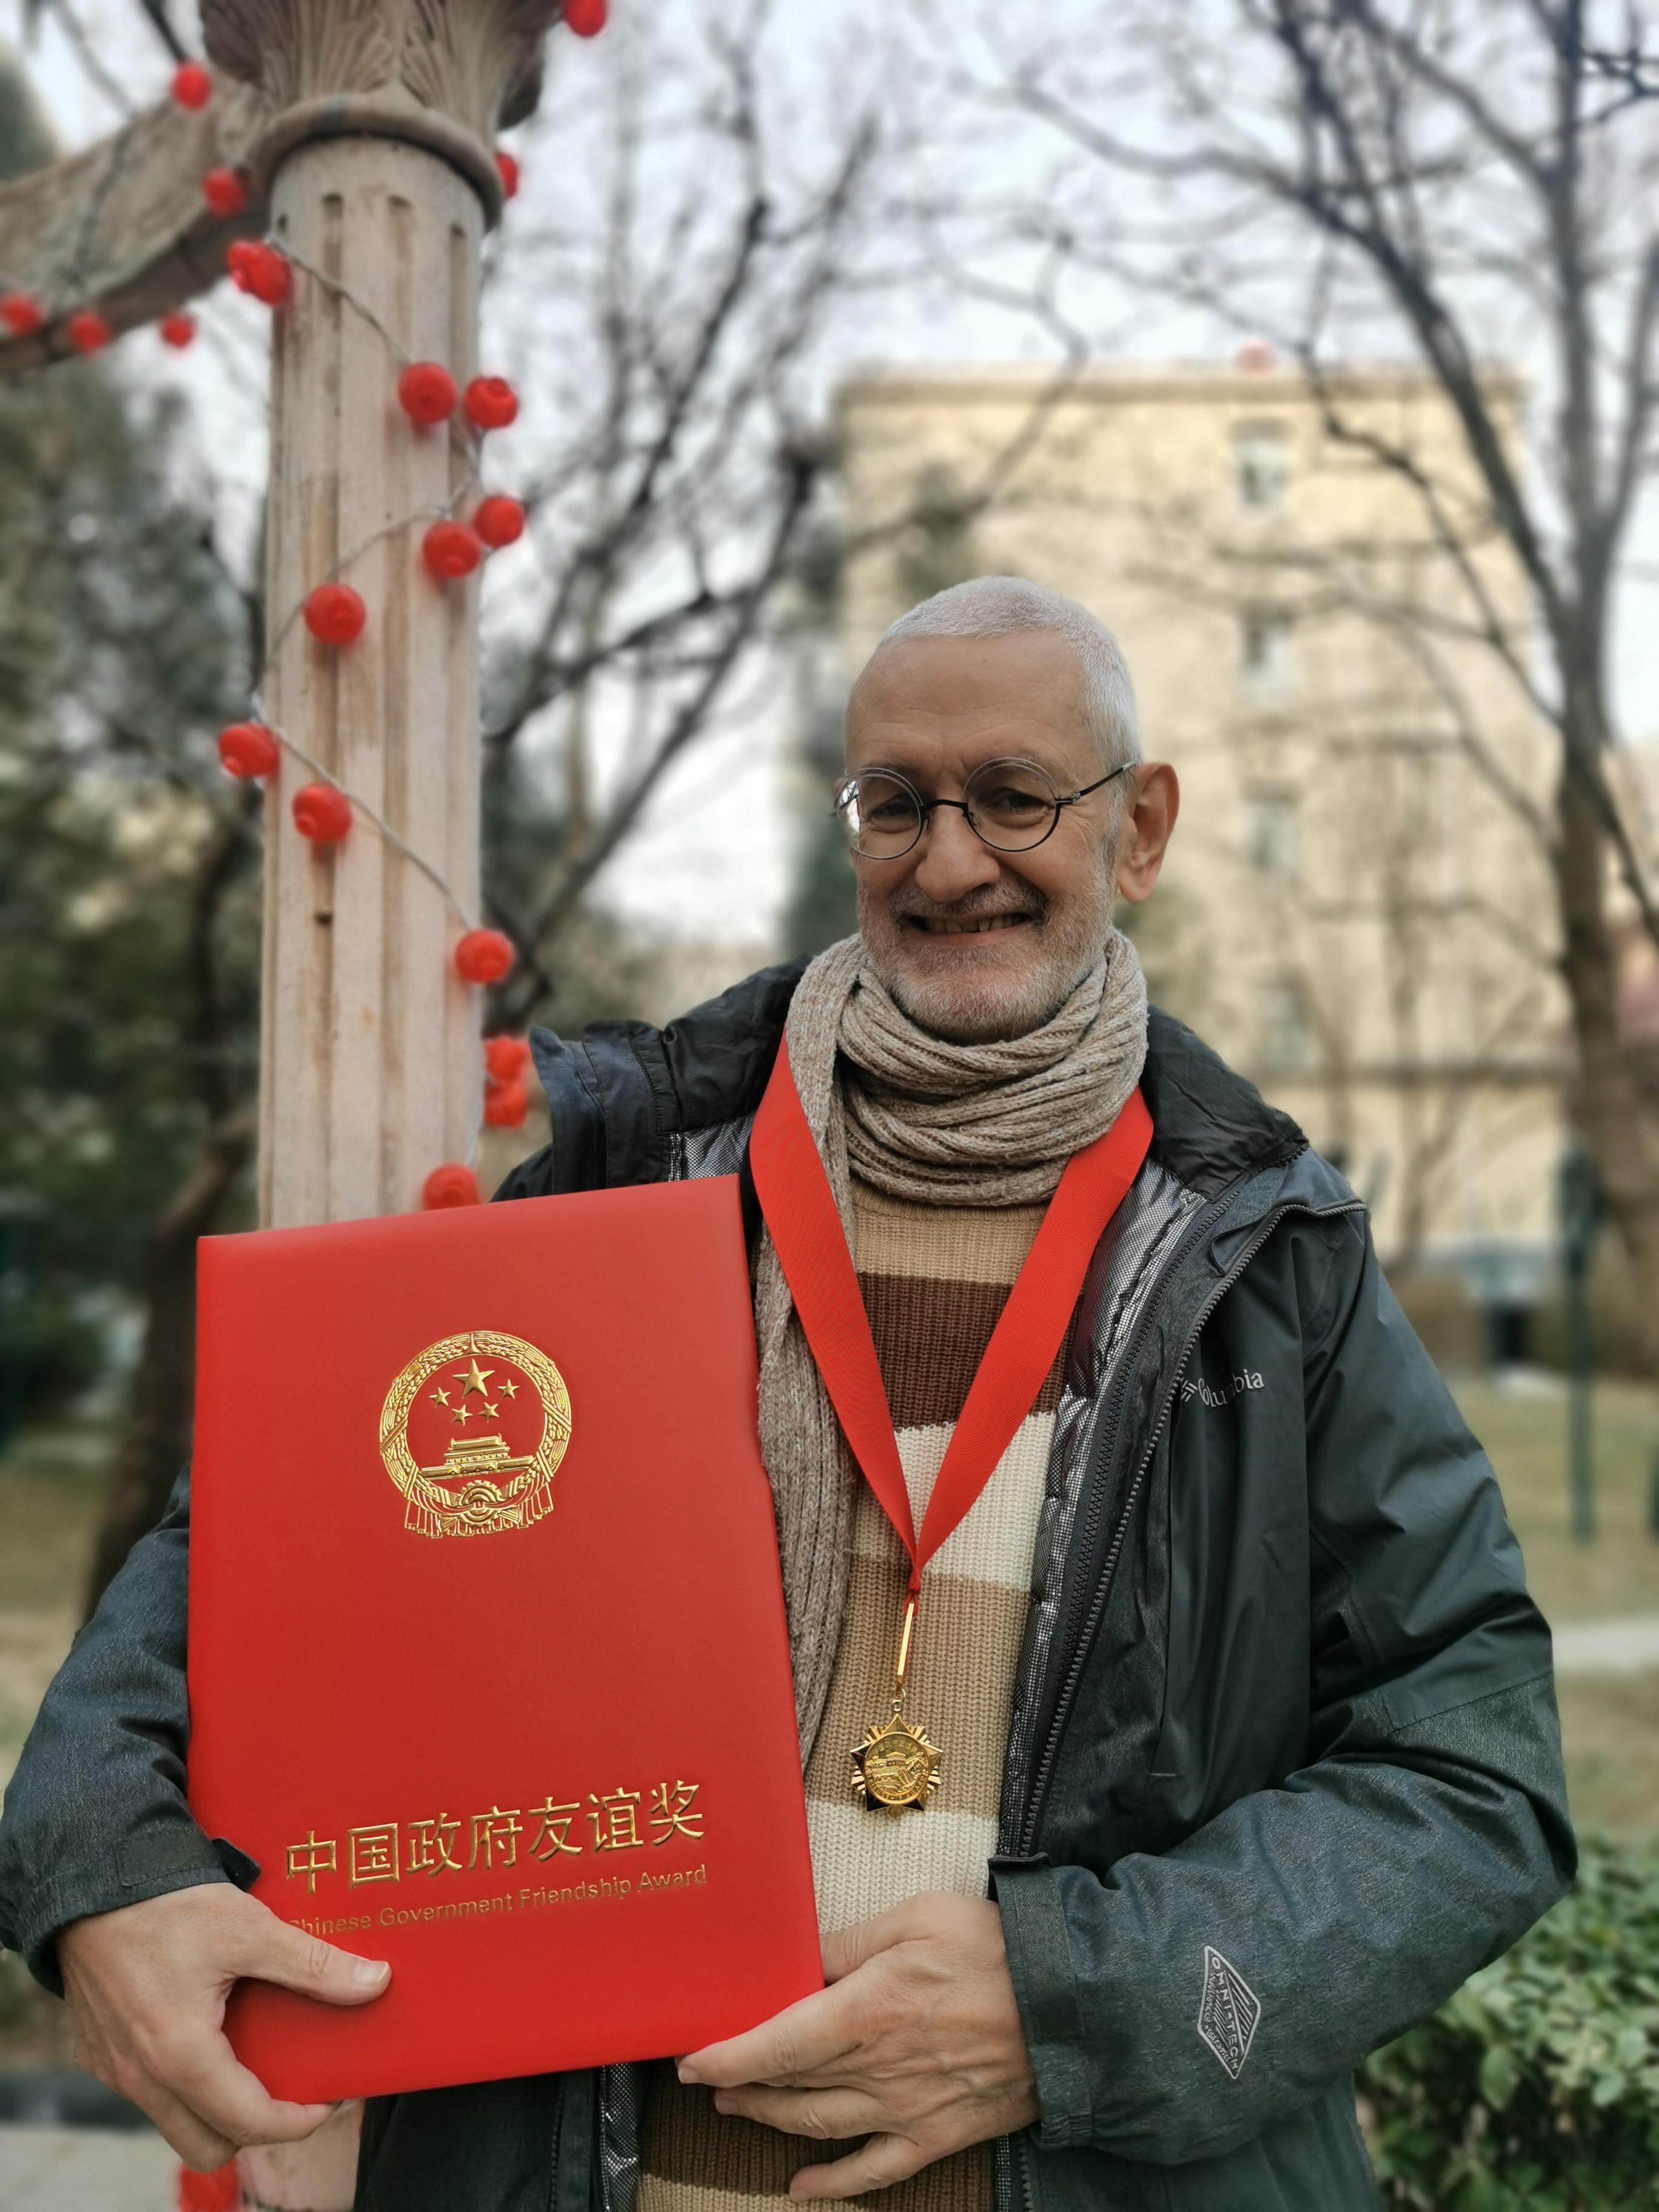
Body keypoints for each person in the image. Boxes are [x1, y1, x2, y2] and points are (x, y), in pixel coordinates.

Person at [0, 577, 1573, 2211]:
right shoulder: (629, 1185)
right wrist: (103, 1869)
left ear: (1143, 827)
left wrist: (1073, 2006)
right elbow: (260, 1554)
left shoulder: (1270, 1257)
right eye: (895, 802)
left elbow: (1474, 1768)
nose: (947, 862)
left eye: (1015, 797)